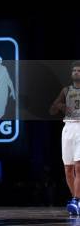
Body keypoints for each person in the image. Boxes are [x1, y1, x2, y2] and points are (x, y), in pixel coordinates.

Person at [50, 61, 80, 215]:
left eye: (79, 70)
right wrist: (61, 106)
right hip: (68, 128)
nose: (76, 72)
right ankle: (77, 199)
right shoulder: (66, 90)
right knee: (68, 169)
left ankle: (76, 200)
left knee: (78, 167)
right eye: (74, 70)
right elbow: (52, 110)